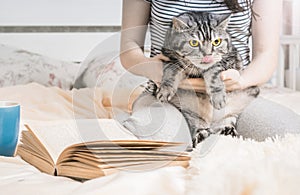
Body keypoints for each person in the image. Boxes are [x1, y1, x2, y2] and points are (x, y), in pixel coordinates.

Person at [120, 0, 300, 141]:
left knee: (290, 134)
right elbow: (129, 47)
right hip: (169, 95)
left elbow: (266, 54)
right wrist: (154, 69)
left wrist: (240, 81)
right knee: (153, 140)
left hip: (234, 96)